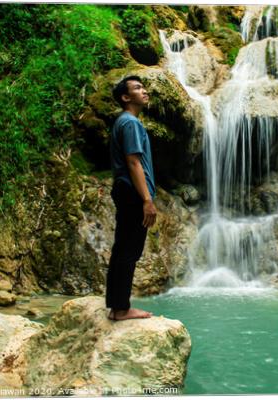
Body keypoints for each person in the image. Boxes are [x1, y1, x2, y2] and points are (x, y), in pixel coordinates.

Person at [106, 75, 158, 321]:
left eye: (143, 87)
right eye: (138, 88)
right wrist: (147, 199)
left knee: (122, 249)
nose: (144, 91)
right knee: (129, 250)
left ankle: (116, 305)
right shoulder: (131, 123)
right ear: (126, 97)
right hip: (132, 192)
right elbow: (133, 161)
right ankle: (121, 309)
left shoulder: (123, 122)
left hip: (124, 189)